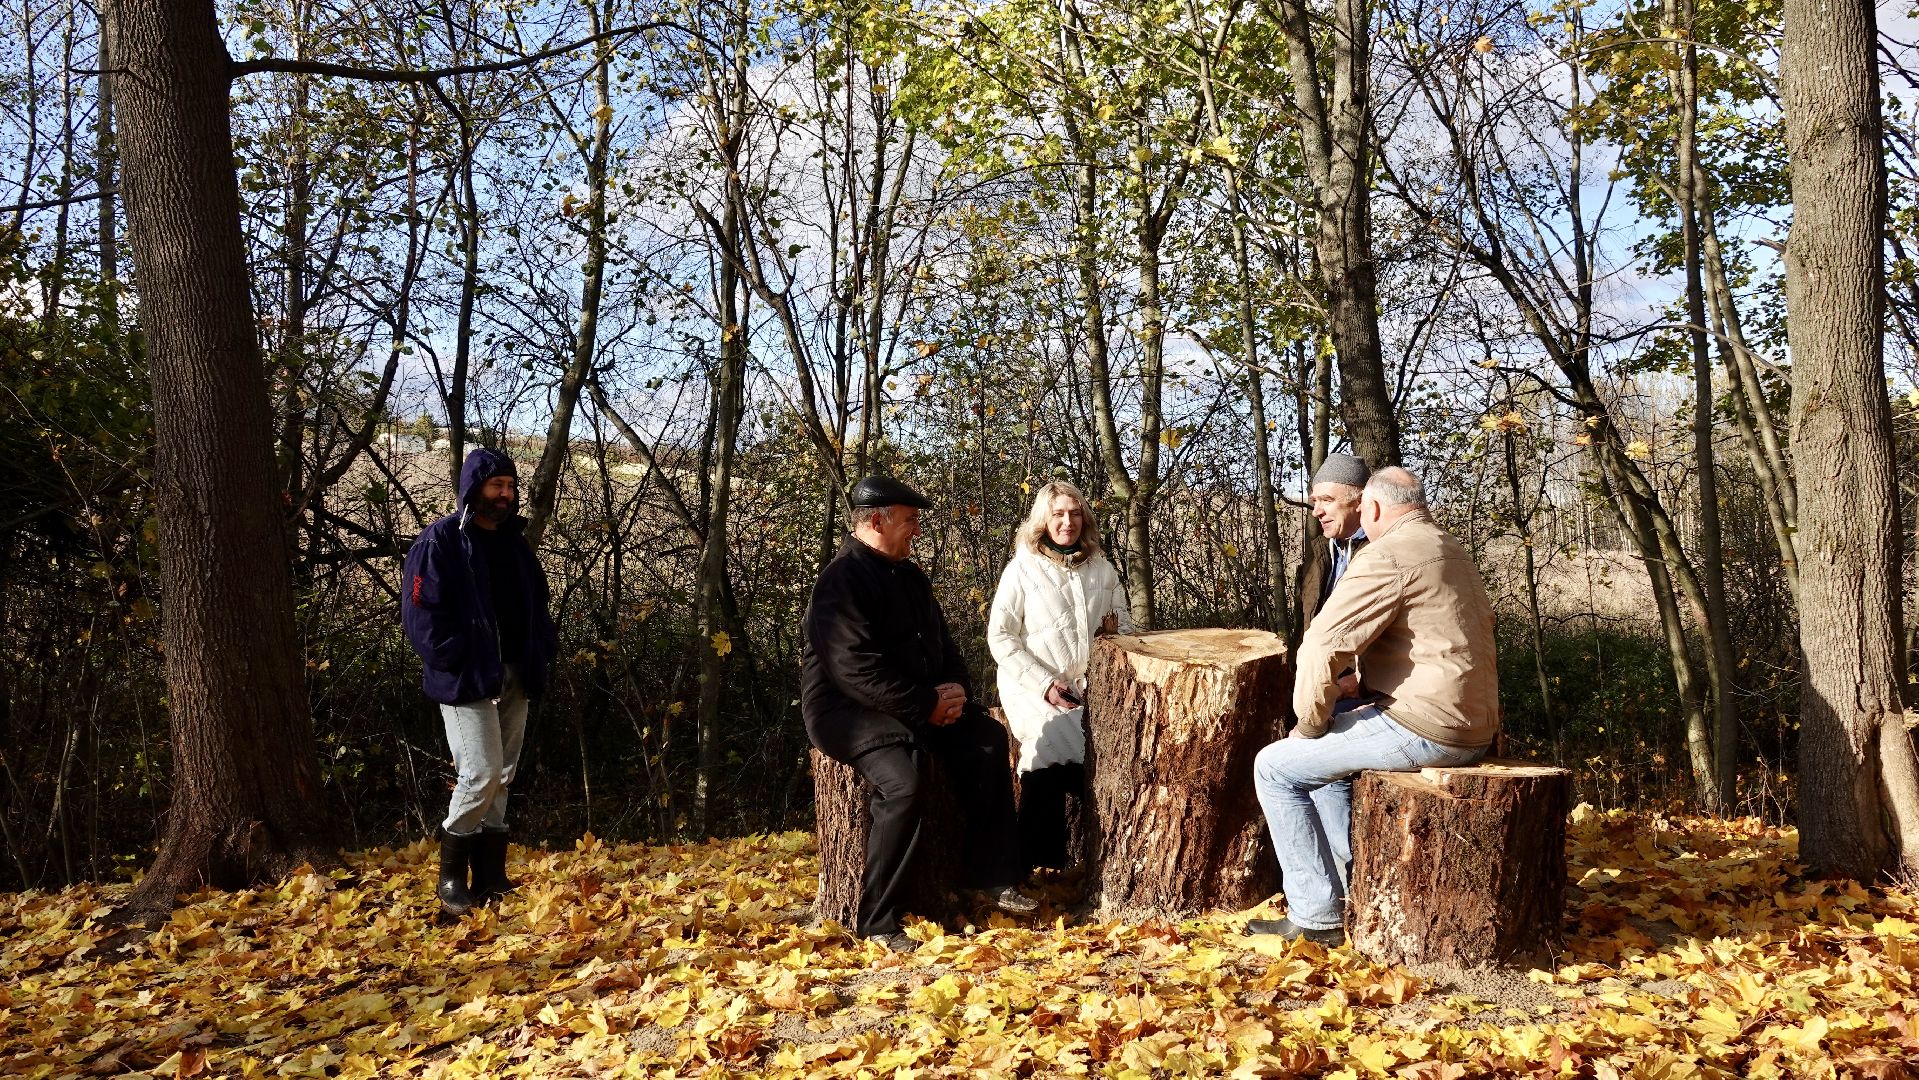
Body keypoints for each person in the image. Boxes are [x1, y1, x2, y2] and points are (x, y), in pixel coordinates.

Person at [1249, 467, 1500, 945]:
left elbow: (1322, 646)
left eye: (1362, 509)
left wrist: (1307, 724)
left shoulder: (1390, 553)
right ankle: (1344, 893)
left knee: (1276, 766)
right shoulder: (1450, 548)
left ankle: (1317, 917)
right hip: (1472, 724)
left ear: (1376, 508)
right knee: (1319, 755)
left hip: (1428, 726)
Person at [801, 476, 1037, 950]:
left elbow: (942, 646)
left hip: (916, 706)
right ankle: (877, 920)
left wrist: (954, 693)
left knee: (986, 741)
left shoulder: (909, 576)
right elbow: (854, 671)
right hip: (847, 713)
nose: (916, 530)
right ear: (875, 521)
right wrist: (926, 705)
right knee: (904, 780)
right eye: (909, 521)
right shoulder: (840, 582)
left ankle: (989, 876)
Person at [401, 447, 557, 918]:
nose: (506, 495)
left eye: (510, 486)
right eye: (497, 486)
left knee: (503, 777)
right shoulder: (441, 542)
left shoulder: (515, 545)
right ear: (474, 488)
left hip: (516, 674)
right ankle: (450, 879)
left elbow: (538, 605)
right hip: (466, 678)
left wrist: (541, 652)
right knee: (481, 773)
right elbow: (420, 615)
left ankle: (490, 877)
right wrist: (454, 660)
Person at [987, 480, 1131, 873]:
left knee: (1115, 749)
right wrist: (1044, 683)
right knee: (1051, 750)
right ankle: (1033, 867)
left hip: (1090, 686)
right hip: (1032, 685)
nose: (1068, 522)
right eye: (1058, 514)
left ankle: (1099, 863)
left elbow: (1126, 624)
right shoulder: (1023, 568)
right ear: (1043, 520)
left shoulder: (1101, 567)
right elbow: (1000, 636)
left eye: (1074, 513)